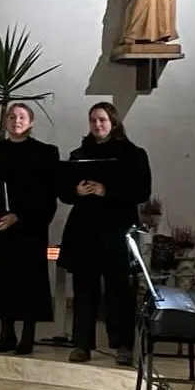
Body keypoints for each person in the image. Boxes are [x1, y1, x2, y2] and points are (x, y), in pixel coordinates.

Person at [58, 102, 151, 365]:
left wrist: (105, 190)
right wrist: (77, 191)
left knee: (119, 291)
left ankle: (123, 345)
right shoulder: (79, 155)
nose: (97, 125)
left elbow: (141, 191)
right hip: (85, 231)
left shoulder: (133, 154)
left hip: (117, 230)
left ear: (113, 122)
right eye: (93, 121)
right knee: (84, 289)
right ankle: (82, 344)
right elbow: (64, 191)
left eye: (102, 120)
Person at [0, 103, 61, 355]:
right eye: (11, 117)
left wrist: (19, 216)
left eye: (21, 117)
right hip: (0, 228)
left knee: (29, 282)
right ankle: (6, 332)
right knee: (3, 281)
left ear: (31, 122)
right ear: (5, 122)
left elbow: (47, 195)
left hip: (29, 229)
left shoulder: (44, 153)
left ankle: (28, 335)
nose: (16, 121)